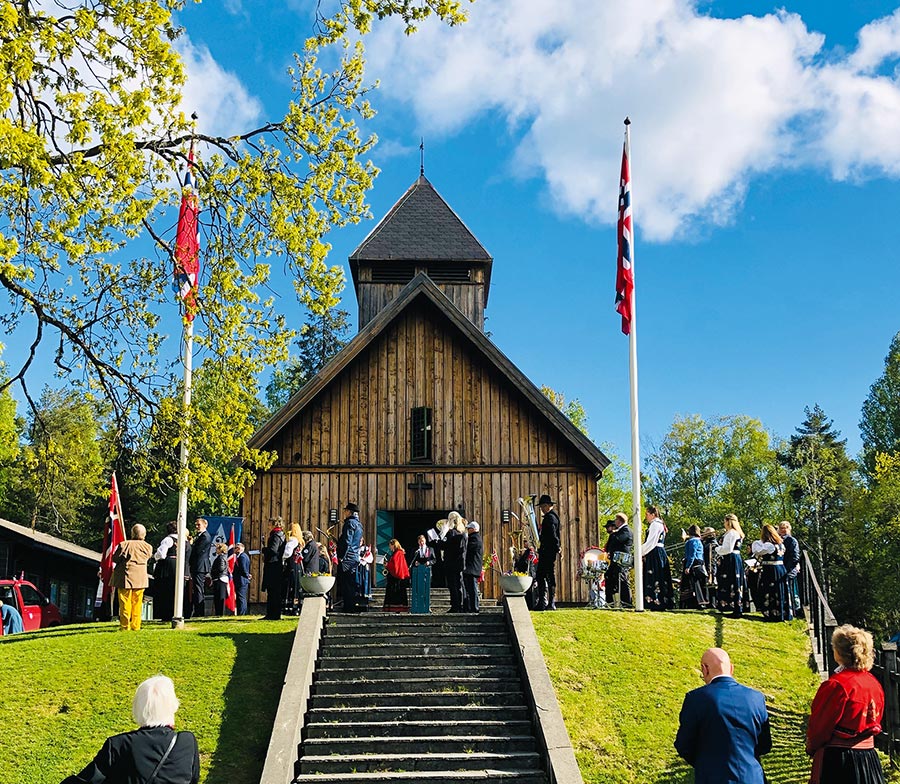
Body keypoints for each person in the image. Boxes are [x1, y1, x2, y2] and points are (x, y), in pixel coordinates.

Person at [61, 674, 200, 784]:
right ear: (173, 705)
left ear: (138, 707)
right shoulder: (187, 742)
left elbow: (88, 780)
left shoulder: (118, 745)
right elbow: (193, 779)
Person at [674, 647, 772, 784]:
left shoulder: (696, 698)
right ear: (731, 668)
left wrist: (706, 764)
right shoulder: (756, 698)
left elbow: (684, 745)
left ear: (704, 669)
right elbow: (765, 744)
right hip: (753, 777)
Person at [806, 625, 886, 784]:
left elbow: (820, 725)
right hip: (869, 758)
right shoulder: (874, 683)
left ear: (839, 652)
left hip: (840, 759)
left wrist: (812, 747)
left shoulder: (837, 685)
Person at [111, 524, 154, 631]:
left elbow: (115, 558)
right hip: (140, 578)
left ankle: (125, 626)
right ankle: (136, 625)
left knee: (125, 602)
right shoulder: (148, 547)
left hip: (125, 576)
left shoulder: (124, 544)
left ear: (132, 533)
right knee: (137, 603)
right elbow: (148, 558)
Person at [752, 524, 790, 621]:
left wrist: (758, 542)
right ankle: (782, 612)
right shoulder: (781, 544)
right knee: (780, 589)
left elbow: (757, 551)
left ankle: (773, 613)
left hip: (771, 569)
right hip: (781, 568)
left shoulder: (769, 545)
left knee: (770, 590)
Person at [641, 505, 673, 610]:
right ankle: (659, 600)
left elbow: (651, 542)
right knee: (659, 576)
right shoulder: (659, 525)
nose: (646, 517)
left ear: (653, 514)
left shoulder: (655, 525)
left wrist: (640, 552)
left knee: (655, 577)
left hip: (654, 552)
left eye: (647, 514)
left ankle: (655, 601)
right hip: (657, 552)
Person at [716, 513, 747, 618]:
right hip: (733, 558)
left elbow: (727, 548)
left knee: (733, 581)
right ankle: (730, 606)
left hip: (731, 559)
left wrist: (716, 548)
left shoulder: (732, 533)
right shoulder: (733, 533)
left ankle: (736, 608)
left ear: (729, 522)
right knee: (732, 582)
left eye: (725, 521)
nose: (724, 524)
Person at [437, 511, 467, 613]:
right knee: (459, 585)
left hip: (450, 563)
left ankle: (455, 606)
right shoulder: (462, 533)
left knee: (453, 585)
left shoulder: (451, 533)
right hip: (459, 563)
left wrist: (439, 538)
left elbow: (443, 546)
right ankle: (461, 605)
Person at [535, 494, 561, 611]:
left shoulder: (550, 518)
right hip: (547, 551)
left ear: (547, 506)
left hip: (548, 551)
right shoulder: (551, 517)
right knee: (543, 576)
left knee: (546, 576)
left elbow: (553, 536)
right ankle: (545, 602)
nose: (541, 509)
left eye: (542, 507)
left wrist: (557, 547)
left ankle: (548, 602)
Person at [336, 502, 363, 612]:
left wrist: (341, 556)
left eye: (345, 511)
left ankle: (348, 607)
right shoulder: (359, 524)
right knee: (352, 583)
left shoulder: (349, 523)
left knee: (346, 584)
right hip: (355, 556)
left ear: (349, 512)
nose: (344, 513)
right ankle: (351, 606)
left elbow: (347, 541)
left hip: (348, 557)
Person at [604, 513, 633, 608]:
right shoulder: (619, 532)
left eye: (616, 520)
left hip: (622, 561)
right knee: (609, 576)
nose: (615, 522)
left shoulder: (626, 531)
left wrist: (614, 533)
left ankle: (627, 602)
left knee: (622, 579)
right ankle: (611, 601)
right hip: (614, 560)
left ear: (620, 521)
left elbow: (617, 540)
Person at [152, 522, 179, 622]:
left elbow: (161, 554)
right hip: (178, 565)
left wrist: (155, 556)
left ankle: (164, 614)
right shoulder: (183, 540)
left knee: (164, 590)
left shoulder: (168, 540)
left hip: (167, 566)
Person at [261, 517, 287, 620]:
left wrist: (264, 550)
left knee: (273, 591)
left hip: (273, 566)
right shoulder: (281, 534)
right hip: (276, 566)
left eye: (269, 524)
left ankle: (273, 614)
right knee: (274, 591)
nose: (268, 526)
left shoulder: (276, 535)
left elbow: (273, 550)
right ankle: (272, 614)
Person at [188, 517, 212, 618]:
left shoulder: (205, 537)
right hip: (198, 565)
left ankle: (199, 611)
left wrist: (190, 545)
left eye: (199, 525)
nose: (197, 527)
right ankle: (197, 610)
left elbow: (197, 551)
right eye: (196, 525)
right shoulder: (201, 536)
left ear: (204, 525)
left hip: (200, 566)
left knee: (198, 589)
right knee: (197, 589)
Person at [682, 524, 709, 609]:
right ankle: (702, 602)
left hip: (694, 563)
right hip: (700, 563)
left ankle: (695, 602)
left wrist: (688, 566)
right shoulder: (699, 541)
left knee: (693, 584)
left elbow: (691, 555)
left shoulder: (692, 541)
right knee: (699, 584)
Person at [779, 520, 802, 617]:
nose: (783, 530)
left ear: (789, 529)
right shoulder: (778, 540)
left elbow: (795, 557)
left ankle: (795, 612)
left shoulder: (792, 541)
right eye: (781, 528)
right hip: (780, 570)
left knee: (792, 593)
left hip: (789, 571)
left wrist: (787, 569)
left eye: (785, 528)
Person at [409, 534, 436, 614]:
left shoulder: (430, 549)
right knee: (417, 589)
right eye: (420, 541)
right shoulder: (415, 550)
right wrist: (415, 563)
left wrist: (429, 562)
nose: (421, 543)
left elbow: (434, 560)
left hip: (427, 571)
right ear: (418, 542)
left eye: (423, 541)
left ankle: (427, 606)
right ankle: (416, 605)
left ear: (425, 541)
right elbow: (411, 559)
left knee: (426, 589)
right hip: (417, 571)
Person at [383, 538, 410, 612]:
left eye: (390, 546)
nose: (389, 548)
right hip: (395, 577)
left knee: (396, 594)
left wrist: (387, 565)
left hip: (396, 579)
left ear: (393, 545)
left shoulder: (398, 553)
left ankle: (396, 608)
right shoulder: (397, 553)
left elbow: (396, 566)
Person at [463, 520, 484, 613]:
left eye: (469, 528)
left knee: (473, 589)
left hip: (472, 568)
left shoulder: (475, 539)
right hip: (471, 568)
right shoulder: (474, 538)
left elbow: (467, 549)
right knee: (469, 589)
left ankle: (475, 607)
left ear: (474, 529)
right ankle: (469, 607)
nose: (468, 530)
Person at [209, 542, 230, 616]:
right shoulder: (222, 557)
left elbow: (220, 568)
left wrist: (212, 571)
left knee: (220, 597)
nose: (216, 550)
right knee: (218, 597)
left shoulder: (221, 558)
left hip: (220, 578)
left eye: (217, 548)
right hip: (219, 578)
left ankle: (220, 613)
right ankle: (218, 613)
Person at [232, 542, 251, 616]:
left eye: (236, 548)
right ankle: (242, 612)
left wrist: (246, 575)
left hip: (241, 580)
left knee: (241, 598)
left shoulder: (242, 557)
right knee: (241, 597)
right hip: (241, 579)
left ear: (240, 549)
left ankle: (242, 613)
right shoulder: (242, 556)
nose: (234, 549)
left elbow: (243, 568)